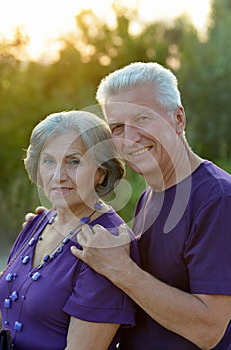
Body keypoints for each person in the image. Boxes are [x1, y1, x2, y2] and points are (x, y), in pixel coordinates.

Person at [22, 62, 231, 349]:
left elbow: (209, 330)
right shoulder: (150, 195)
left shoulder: (217, 199)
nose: (130, 138)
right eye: (118, 126)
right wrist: (59, 226)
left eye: (143, 118)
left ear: (178, 119)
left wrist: (122, 270)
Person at [0, 110, 140, 350]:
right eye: (48, 161)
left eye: (74, 161)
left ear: (101, 171)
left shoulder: (106, 242)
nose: (57, 175)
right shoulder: (38, 222)